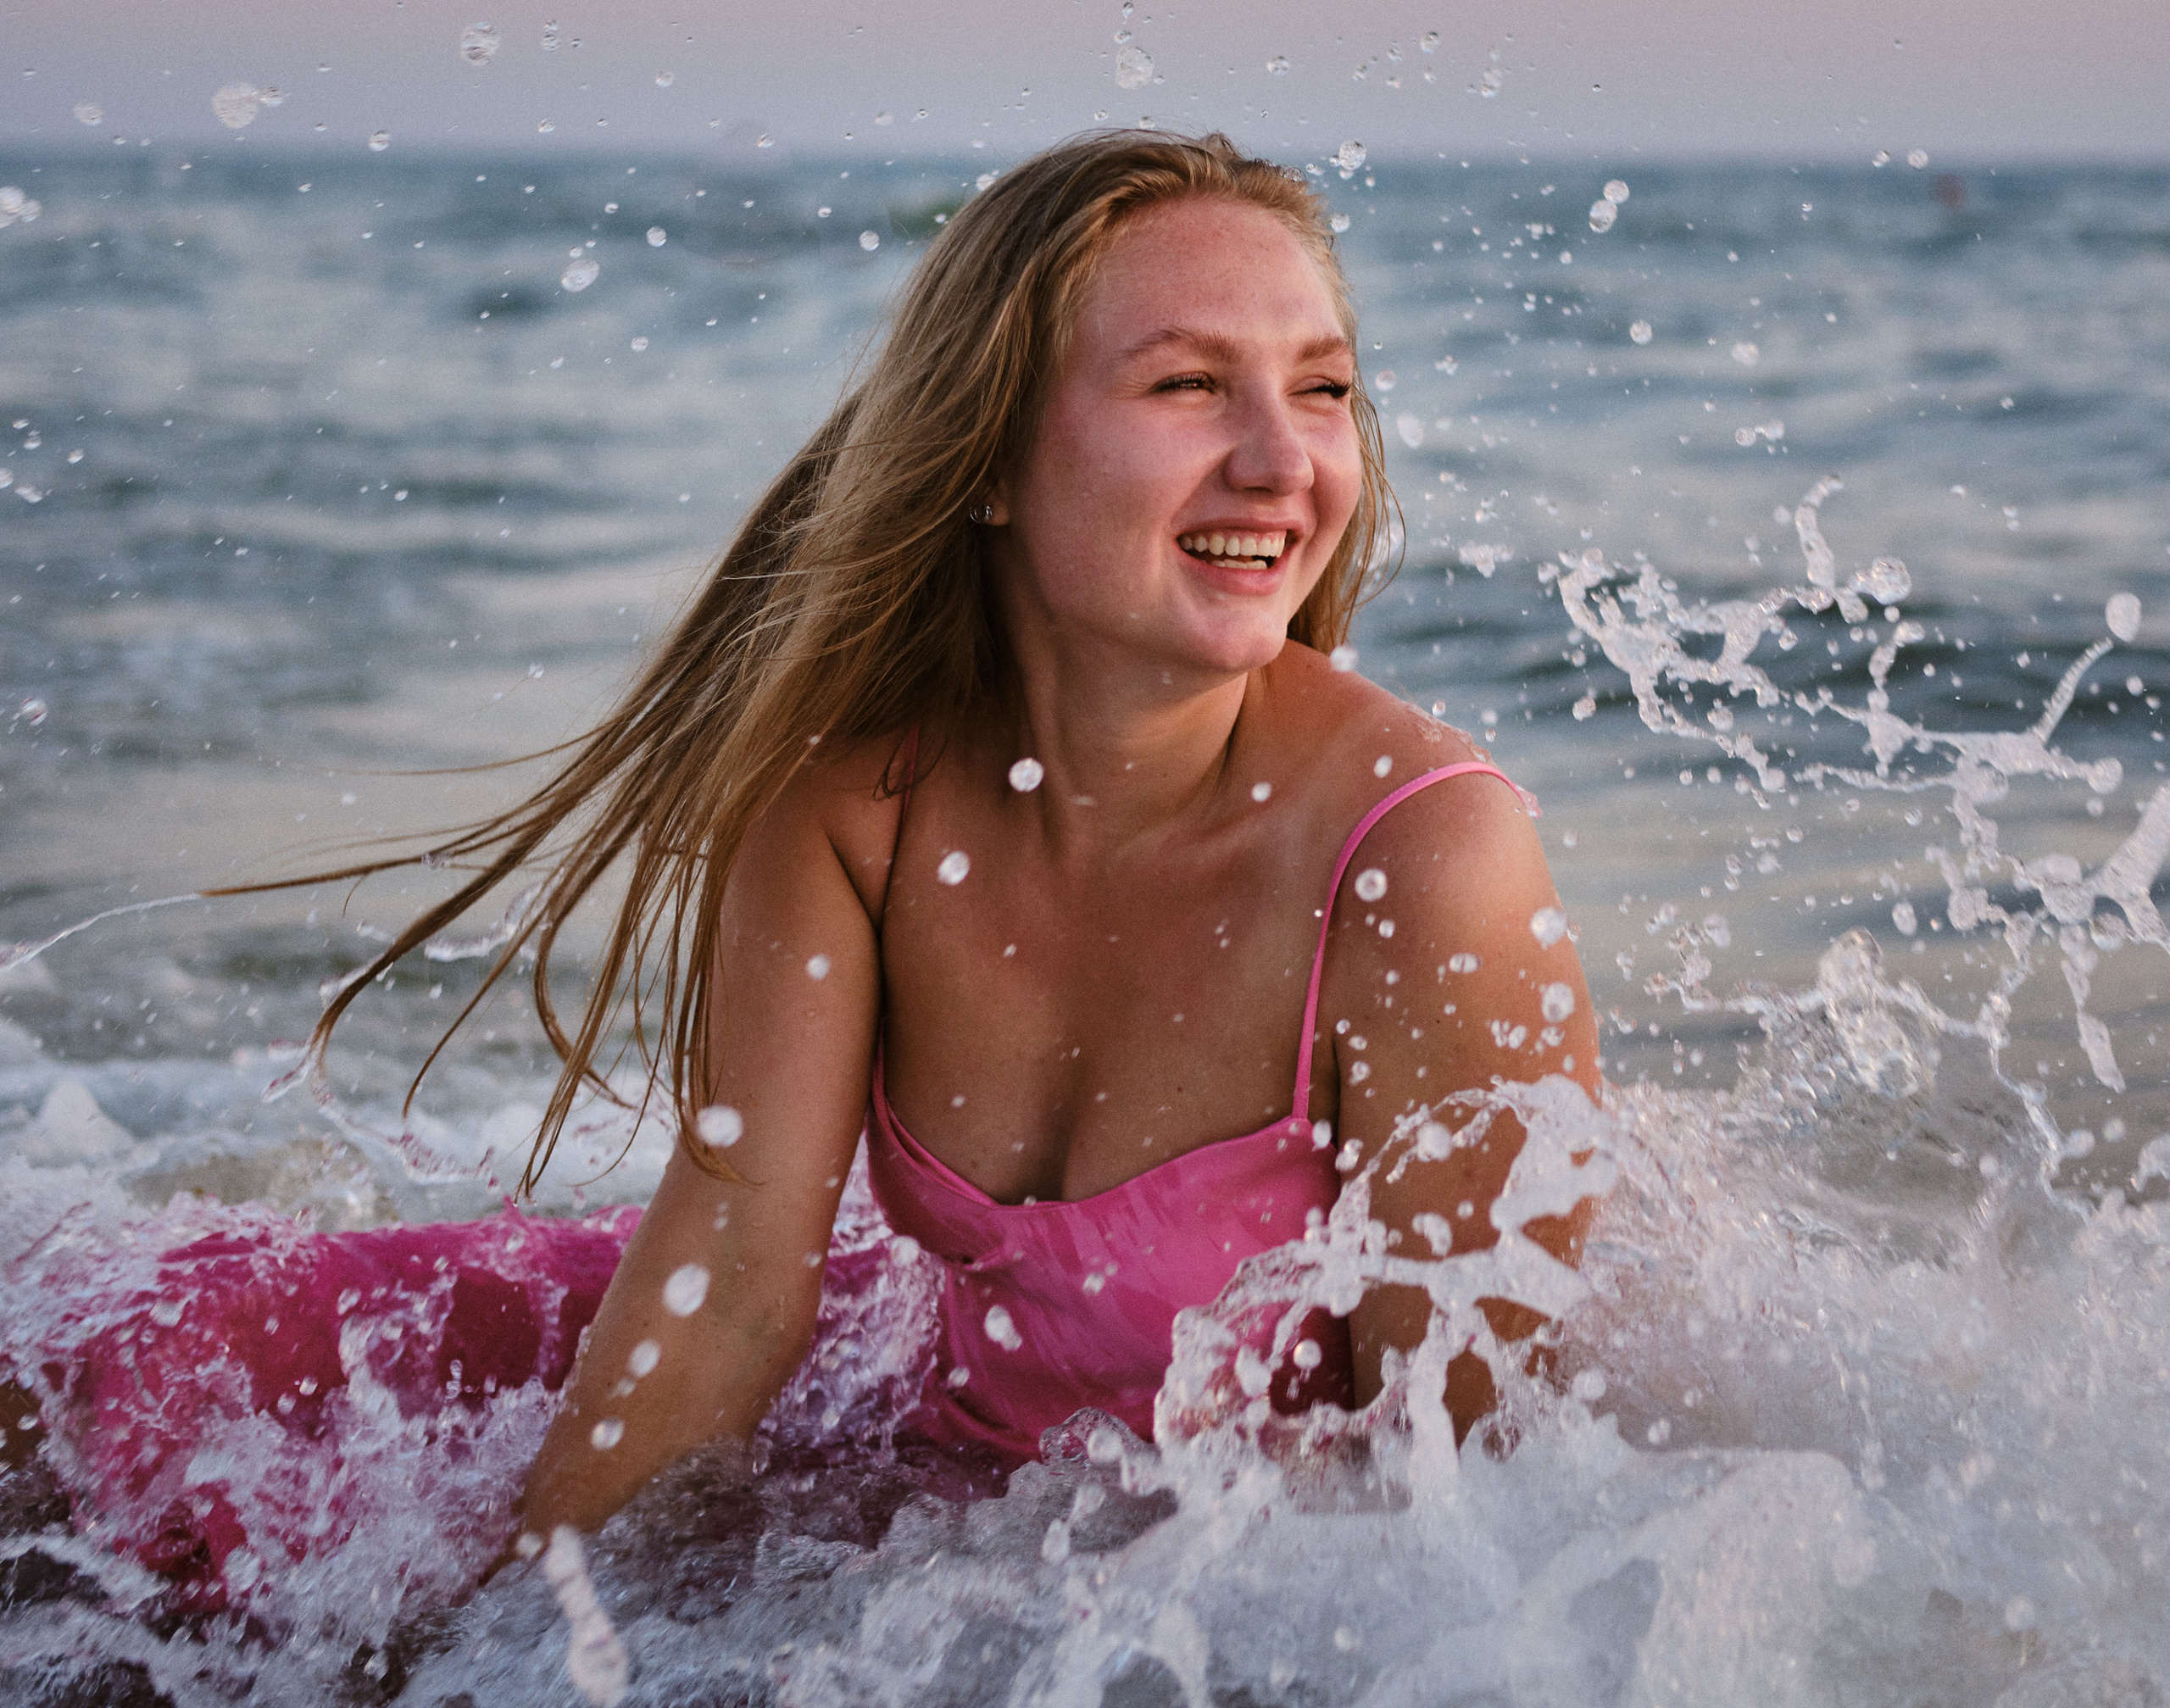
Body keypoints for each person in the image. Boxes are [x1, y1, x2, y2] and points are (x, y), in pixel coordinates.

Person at [2, 131, 1598, 1600]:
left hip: (1219, 1604)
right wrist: (493, 1680)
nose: (1281, 462)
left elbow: (1462, 1516)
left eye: (1322, 390)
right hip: (935, 1453)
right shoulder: (858, 803)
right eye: (1190, 386)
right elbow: (735, 1279)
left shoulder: (1425, 863)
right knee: (106, 1381)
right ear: (985, 455)